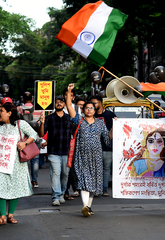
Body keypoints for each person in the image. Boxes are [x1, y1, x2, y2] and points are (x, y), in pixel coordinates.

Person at [66, 84, 113, 217]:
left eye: (92, 108)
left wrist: (114, 129)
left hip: (96, 156)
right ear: (84, 109)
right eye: (87, 108)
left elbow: (107, 138)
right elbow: (69, 107)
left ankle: (88, 207)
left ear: (94, 110)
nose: (89, 110)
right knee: (84, 180)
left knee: (93, 182)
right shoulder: (79, 120)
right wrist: (69, 92)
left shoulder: (100, 123)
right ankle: (85, 206)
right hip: (81, 156)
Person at [0, 104, 38, 224]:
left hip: (17, 163)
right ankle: (2, 216)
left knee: (15, 187)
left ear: (9, 113)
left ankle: (10, 215)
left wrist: (24, 144)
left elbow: (34, 135)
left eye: (1, 111)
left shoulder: (20, 124)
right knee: (1, 188)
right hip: (2, 163)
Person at [39, 96, 75, 206]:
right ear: (54, 105)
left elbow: (74, 134)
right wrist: (41, 123)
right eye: (57, 102)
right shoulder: (49, 118)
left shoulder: (69, 118)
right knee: (55, 173)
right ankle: (56, 196)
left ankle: (62, 193)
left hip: (66, 151)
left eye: (61, 102)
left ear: (64, 104)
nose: (59, 104)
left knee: (65, 175)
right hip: (53, 151)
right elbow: (41, 134)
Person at [91, 95, 117, 196]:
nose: (93, 106)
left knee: (106, 168)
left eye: (95, 103)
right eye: (91, 104)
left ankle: (104, 189)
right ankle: (97, 189)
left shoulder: (110, 114)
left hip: (107, 147)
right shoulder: (91, 116)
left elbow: (116, 127)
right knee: (96, 168)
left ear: (100, 103)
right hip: (94, 147)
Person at [17, 92, 43, 189]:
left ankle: (24, 181)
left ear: (23, 99)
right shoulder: (39, 110)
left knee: (22, 159)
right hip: (35, 136)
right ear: (32, 99)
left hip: (23, 137)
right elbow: (41, 122)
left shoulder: (19, 109)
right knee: (35, 160)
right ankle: (35, 181)